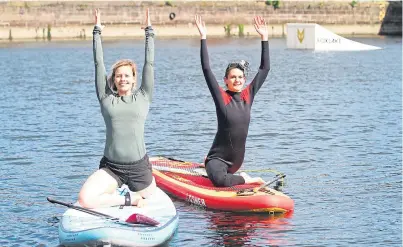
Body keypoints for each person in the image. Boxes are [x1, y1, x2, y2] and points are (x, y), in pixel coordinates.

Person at [78, 8, 156, 208]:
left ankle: (130, 194)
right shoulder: (106, 98)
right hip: (112, 168)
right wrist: (97, 32)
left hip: (140, 169)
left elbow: (150, 63)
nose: (122, 78)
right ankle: (129, 199)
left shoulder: (144, 96)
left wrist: (149, 32)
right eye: (118, 75)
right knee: (85, 199)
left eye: (127, 75)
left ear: (133, 79)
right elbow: (98, 64)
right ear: (114, 79)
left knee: (154, 202)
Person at [194, 15, 270, 187]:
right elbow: (206, 69)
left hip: (236, 162)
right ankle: (245, 179)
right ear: (226, 80)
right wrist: (203, 37)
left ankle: (237, 176)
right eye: (233, 77)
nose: (237, 80)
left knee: (223, 179)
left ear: (244, 80)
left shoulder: (247, 96)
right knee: (219, 181)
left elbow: (265, 69)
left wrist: (264, 38)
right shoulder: (222, 97)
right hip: (217, 159)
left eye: (240, 77)